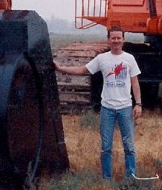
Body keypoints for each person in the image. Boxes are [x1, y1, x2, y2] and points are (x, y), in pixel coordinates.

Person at [54, 26, 143, 180]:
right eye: (113, 38)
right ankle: (106, 179)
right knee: (106, 147)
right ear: (109, 39)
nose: (116, 41)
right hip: (107, 109)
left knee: (129, 146)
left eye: (118, 38)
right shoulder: (102, 59)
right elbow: (83, 70)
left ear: (123, 39)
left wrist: (138, 104)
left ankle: (131, 178)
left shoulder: (129, 59)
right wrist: (61, 69)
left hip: (125, 108)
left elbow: (135, 83)